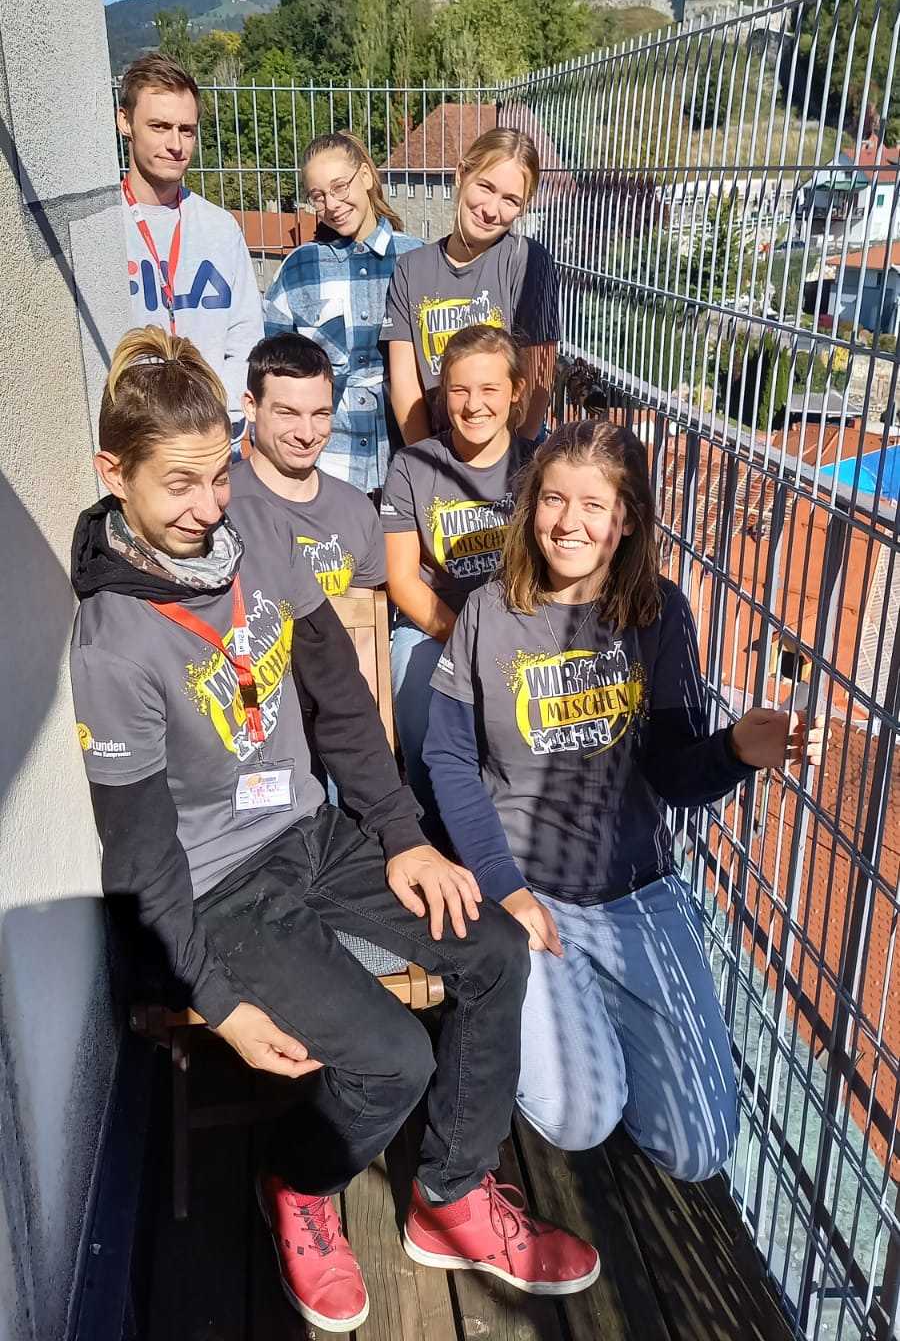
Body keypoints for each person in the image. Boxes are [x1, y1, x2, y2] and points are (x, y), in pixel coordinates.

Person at [69, 326, 600, 1333]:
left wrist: (404, 836)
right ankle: (299, 1183)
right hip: (219, 889)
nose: (208, 506)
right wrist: (217, 1000)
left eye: (217, 475)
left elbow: (341, 699)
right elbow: (139, 857)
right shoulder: (113, 645)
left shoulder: (252, 535)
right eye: (179, 484)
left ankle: (450, 1195)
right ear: (113, 473)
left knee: (494, 950)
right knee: (393, 1056)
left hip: (314, 836)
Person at [425, 419, 827, 1182]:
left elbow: (675, 772)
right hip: (527, 893)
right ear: (531, 505)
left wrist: (736, 751)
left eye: (593, 505)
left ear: (628, 518)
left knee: (700, 1150)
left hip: (638, 894)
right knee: (578, 1119)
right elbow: (447, 756)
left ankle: (595, 1020)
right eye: (552, 499)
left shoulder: (660, 613)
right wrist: (504, 889)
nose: (567, 523)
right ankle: (533, 1016)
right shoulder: (490, 611)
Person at [381, 325, 532, 828]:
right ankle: (435, 831)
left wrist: (504, 644)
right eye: (460, 390)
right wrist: (469, 643)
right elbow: (404, 582)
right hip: (433, 626)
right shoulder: (412, 466)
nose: (474, 405)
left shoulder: (537, 464)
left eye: (489, 389)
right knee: (420, 716)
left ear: (516, 391)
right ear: (443, 393)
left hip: (522, 627)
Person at [117, 52, 263, 454]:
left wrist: (223, 414)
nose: (175, 145)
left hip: (210, 439)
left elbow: (246, 337)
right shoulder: (105, 229)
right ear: (125, 122)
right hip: (135, 440)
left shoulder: (220, 228)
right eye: (159, 127)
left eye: (187, 130)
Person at [263, 131, 423, 495]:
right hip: (328, 464)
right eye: (318, 196)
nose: (332, 204)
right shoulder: (299, 269)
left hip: (404, 458)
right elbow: (272, 366)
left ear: (365, 176)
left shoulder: (415, 258)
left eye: (340, 187)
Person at [382, 127, 559, 445]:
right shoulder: (411, 269)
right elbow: (405, 381)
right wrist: (426, 459)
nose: (491, 210)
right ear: (462, 173)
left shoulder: (527, 261)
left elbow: (539, 375)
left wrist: (516, 455)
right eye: (485, 187)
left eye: (510, 200)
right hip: (437, 449)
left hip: (507, 451)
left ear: (524, 206)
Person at [229, 333, 384, 599]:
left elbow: (363, 619)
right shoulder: (216, 506)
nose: (307, 434)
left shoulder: (357, 511)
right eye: (287, 413)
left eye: (320, 414)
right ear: (251, 407)